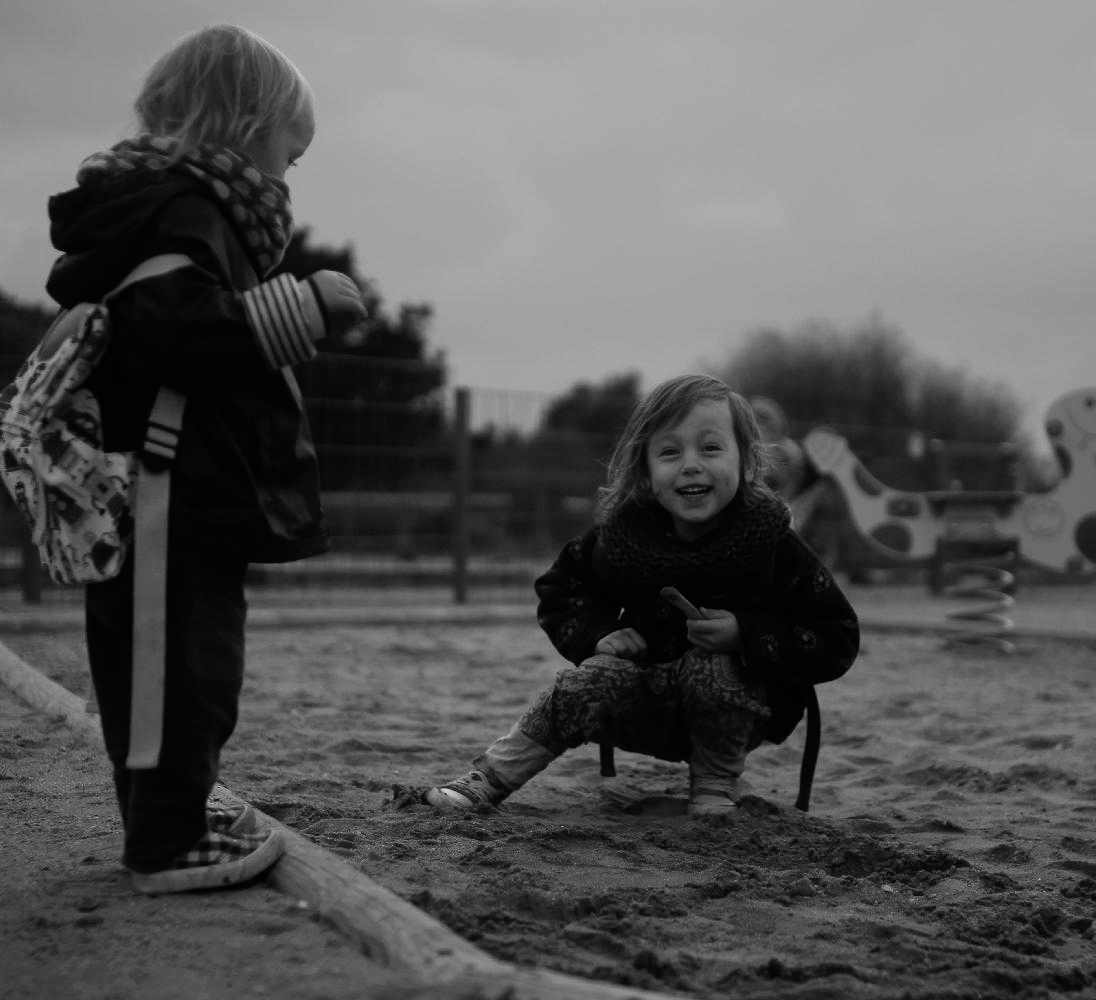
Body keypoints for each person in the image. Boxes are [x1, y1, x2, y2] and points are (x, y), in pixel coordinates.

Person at [44, 24, 367, 894]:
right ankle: (165, 844)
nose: (285, 180)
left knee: (170, 666)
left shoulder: (166, 210)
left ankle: (173, 813)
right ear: (246, 125)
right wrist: (302, 308)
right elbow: (173, 330)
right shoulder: (185, 213)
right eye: (287, 159)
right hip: (164, 489)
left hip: (170, 488)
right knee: (178, 669)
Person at [426, 375, 860, 816]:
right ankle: (491, 777)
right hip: (640, 707)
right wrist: (600, 634)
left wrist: (745, 634)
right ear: (646, 473)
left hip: (740, 713)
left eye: (711, 448)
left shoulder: (773, 545)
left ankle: (713, 792)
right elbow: (560, 590)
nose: (690, 464)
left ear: (748, 463)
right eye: (670, 452)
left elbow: (837, 636)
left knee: (713, 663)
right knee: (587, 679)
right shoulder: (622, 538)